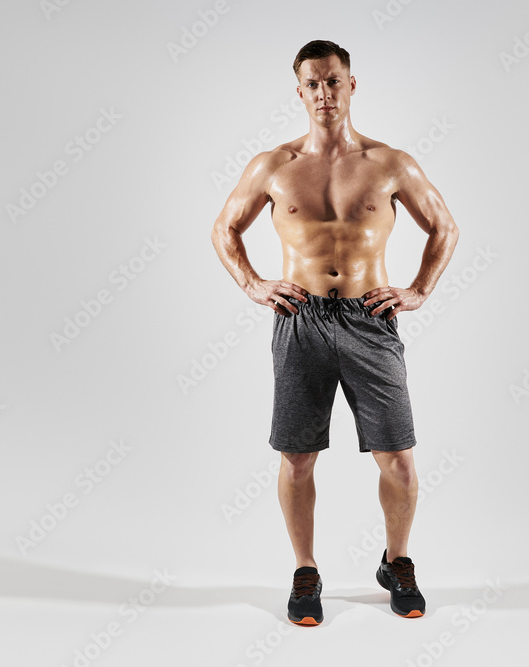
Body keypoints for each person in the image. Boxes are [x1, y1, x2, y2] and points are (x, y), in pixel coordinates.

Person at [210, 39, 459, 625]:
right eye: (313, 84)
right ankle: (305, 570)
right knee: (297, 457)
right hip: (301, 321)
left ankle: (397, 560)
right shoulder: (272, 166)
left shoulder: (391, 163)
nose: (324, 93)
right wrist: (252, 284)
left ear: (352, 86)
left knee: (397, 457)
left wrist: (418, 290)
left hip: (370, 321)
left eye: (333, 81)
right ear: (299, 92)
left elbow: (444, 227)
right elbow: (224, 229)